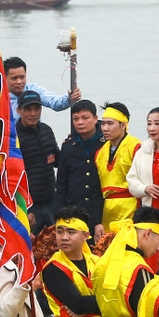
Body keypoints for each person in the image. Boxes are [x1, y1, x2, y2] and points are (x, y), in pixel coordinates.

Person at [54, 99, 107, 238]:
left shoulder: (106, 144)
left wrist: (98, 220)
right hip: (75, 212)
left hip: (102, 211)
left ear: (95, 119)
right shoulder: (68, 147)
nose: (80, 122)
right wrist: (59, 217)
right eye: (75, 119)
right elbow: (62, 185)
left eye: (85, 118)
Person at [15, 90, 60, 232]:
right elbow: (11, 178)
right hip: (29, 207)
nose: (33, 113)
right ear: (18, 110)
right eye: (28, 109)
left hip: (51, 202)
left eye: (37, 108)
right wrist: (24, 209)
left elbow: (58, 161)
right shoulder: (13, 137)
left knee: (55, 246)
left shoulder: (46, 130)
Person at [95, 103, 141, 228]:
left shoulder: (136, 148)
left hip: (131, 208)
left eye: (110, 124)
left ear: (123, 125)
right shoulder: (100, 153)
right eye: (103, 123)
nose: (105, 128)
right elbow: (96, 190)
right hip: (107, 210)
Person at [3, 57, 79, 126]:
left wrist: (69, 98)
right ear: (4, 78)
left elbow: (54, 102)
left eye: (22, 77)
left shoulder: (34, 90)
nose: (19, 81)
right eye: (14, 78)